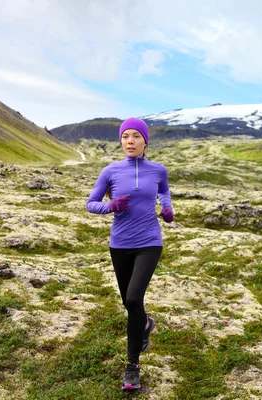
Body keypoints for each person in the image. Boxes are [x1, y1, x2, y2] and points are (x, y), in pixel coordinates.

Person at [86, 117, 174, 391]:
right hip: (120, 244)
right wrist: (110, 206)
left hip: (149, 242)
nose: (130, 141)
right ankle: (145, 324)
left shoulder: (158, 170)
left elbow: (164, 191)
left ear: (145, 141)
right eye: (125, 137)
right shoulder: (110, 171)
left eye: (136, 136)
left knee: (135, 298)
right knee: (129, 304)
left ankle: (132, 367)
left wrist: (167, 208)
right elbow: (90, 204)